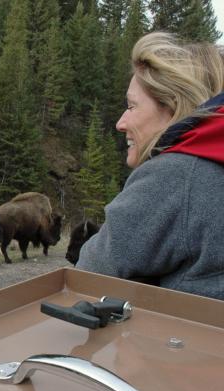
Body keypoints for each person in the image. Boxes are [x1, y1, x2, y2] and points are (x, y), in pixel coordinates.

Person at [76, 32, 224, 301]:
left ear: (173, 107)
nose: (121, 123)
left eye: (132, 106)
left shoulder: (176, 175)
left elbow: (90, 274)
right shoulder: (215, 158)